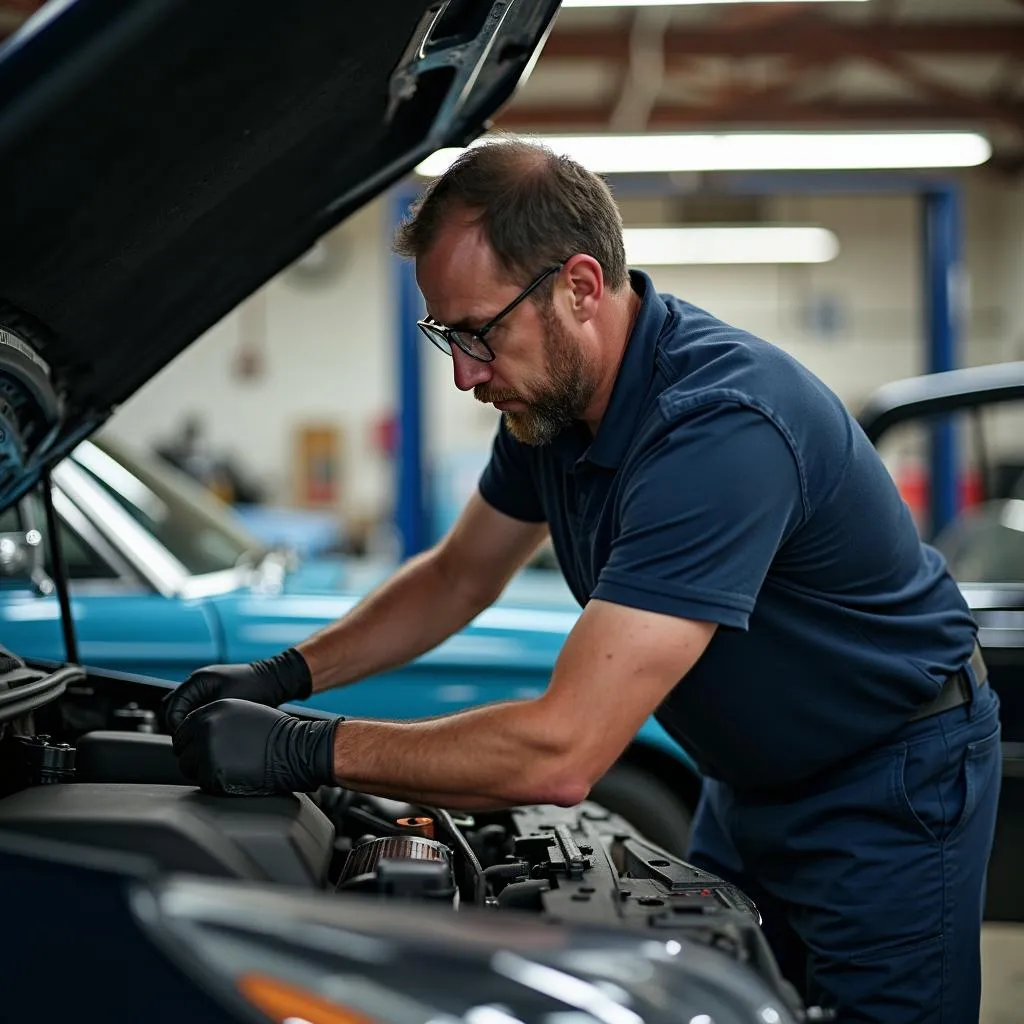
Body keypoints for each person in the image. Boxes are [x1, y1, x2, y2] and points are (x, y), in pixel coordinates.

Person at [164, 139, 1000, 1023]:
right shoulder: (551, 413)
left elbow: (561, 751)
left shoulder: (718, 431)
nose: (465, 372)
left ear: (581, 287)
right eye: (446, 334)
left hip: (888, 781)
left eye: (481, 332)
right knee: (727, 1001)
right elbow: (457, 576)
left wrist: (301, 747)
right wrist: (284, 675)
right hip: (748, 781)